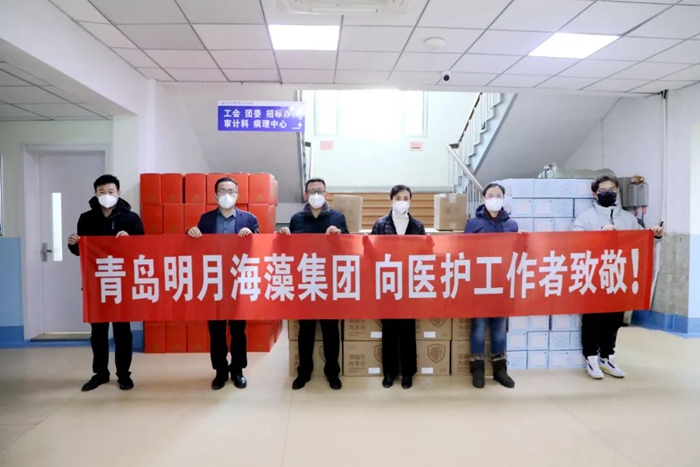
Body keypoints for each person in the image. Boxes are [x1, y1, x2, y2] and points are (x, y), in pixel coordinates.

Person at [572, 174, 663, 380]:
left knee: (614, 319)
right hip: (594, 276)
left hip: (619, 276)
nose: (608, 193)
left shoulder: (629, 219)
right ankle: (591, 357)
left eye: (612, 190)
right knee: (594, 318)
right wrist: (599, 233)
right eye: (603, 190)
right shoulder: (585, 218)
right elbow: (575, 242)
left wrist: (654, 235)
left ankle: (607, 356)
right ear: (595, 194)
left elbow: (642, 240)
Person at [68, 174, 144, 392]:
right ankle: (100, 373)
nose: (106, 195)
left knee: (122, 332)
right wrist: (72, 244)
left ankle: (124, 375)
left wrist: (130, 241)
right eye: (101, 192)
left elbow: (143, 248)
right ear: (95, 193)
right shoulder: (87, 218)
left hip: (122, 282)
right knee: (98, 333)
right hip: (96, 283)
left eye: (110, 191)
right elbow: (82, 251)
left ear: (118, 192)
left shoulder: (131, 218)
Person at [187, 177, 259, 390]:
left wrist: (252, 235)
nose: (227, 194)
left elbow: (260, 247)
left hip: (238, 281)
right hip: (214, 282)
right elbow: (193, 246)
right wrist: (190, 233)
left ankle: (237, 370)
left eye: (231, 191)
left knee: (238, 330)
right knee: (216, 330)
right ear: (215, 195)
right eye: (222, 191)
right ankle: (220, 370)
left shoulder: (249, 218)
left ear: (237, 195)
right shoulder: (206, 219)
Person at [278, 178, 348, 390]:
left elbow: (348, 247)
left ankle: (332, 372)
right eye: (312, 191)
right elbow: (289, 250)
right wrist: (284, 237)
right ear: (305, 195)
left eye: (320, 190)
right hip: (305, 282)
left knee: (330, 331)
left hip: (329, 283)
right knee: (305, 331)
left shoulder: (337, 217)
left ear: (326, 194)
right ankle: (304, 372)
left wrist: (339, 236)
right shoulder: (297, 219)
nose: (316, 194)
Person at [370, 185, 425, 390]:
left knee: (408, 329)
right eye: (398, 198)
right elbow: (372, 252)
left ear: (410, 201)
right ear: (391, 200)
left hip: (409, 284)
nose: (402, 201)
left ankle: (408, 372)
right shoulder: (380, 224)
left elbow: (425, 253)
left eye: (406, 198)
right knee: (390, 329)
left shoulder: (417, 226)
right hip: (388, 284)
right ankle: (389, 372)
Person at [464, 182, 517, 389]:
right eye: (490, 195)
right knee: (479, 327)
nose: (494, 198)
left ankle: (500, 370)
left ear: (504, 198)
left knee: (499, 328)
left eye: (498, 195)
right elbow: (464, 251)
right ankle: (477, 369)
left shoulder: (511, 225)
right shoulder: (474, 223)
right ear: (483, 198)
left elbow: (517, 253)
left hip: (502, 284)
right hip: (479, 284)